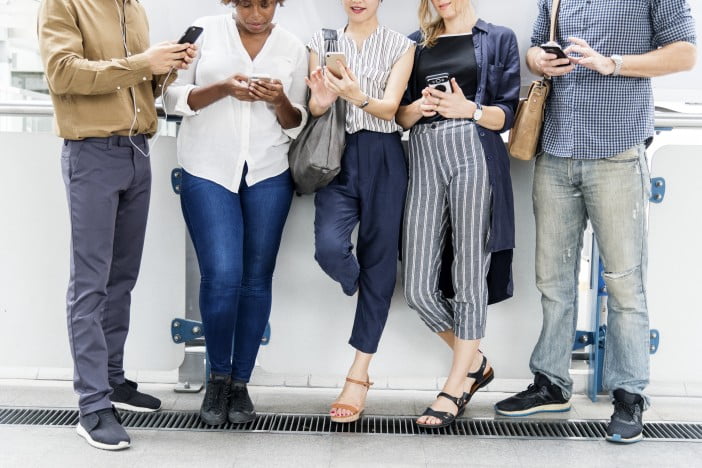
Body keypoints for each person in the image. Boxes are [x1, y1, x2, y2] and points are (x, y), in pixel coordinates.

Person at [494, 0, 696, 444]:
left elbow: (685, 53)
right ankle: (551, 383)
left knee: (625, 282)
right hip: (556, 150)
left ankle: (629, 395)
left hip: (618, 152)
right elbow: (532, 50)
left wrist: (614, 63)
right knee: (552, 280)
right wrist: (539, 59)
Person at [37, 0, 196, 450]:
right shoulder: (63, 4)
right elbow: (63, 74)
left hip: (137, 153)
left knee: (121, 279)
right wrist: (141, 63)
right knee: (90, 284)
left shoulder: (134, 9)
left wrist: (168, 68)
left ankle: (111, 381)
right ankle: (92, 407)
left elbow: (141, 85)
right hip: (90, 155)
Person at [163, 0, 307, 427]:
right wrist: (223, 88)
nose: (256, 12)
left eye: (265, 3)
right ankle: (217, 378)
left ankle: (241, 384)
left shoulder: (292, 46)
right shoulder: (202, 31)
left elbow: (295, 120)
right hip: (207, 168)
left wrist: (279, 98)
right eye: (245, 3)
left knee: (256, 280)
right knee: (223, 275)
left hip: (268, 169)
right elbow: (171, 98)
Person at [396, 0, 520, 428]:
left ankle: (454, 387)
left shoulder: (498, 38)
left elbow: (508, 113)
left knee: (470, 271)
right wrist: (419, 108)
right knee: (416, 287)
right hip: (425, 153)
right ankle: (476, 362)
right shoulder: (414, 44)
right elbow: (399, 111)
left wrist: (469, 109)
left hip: (475, 153)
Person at [306, 0, 414, 423]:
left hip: (384, 153)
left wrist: (357, 95)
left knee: (380, 258)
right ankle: (367, 285)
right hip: (335, 154)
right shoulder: (322, 41)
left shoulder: (401, 45)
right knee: (329, 248)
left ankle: (358, 375)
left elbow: (390, 110)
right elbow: (316, 108)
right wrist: (320, 99)